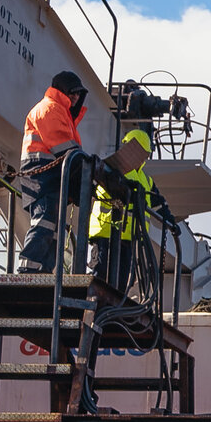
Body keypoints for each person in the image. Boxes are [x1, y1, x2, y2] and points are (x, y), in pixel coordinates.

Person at [18, 70, 89, 274]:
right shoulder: (50, 108)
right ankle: (27, 270)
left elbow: (69, 152)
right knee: (44, 223)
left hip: (51, 175)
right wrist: (85, 168)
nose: (76, 97)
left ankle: (43, 272)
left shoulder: (61, 112)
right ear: (62, 91)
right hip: (41, 174)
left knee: (54, 229)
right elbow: (64, 147)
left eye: (79, 94)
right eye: (72, 92)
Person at [88, 125, 159, 297]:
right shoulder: (112, 168)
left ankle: (110, 309)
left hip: (127, 238)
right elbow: (106, 188)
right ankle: (94, 306)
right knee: (101, 277)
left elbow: (158, 203)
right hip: (106, 232)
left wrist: (169, 218)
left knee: (120, 283)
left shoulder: (146, 180)